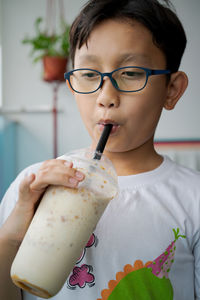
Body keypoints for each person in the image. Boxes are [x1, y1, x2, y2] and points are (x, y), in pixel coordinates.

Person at [0, 0, 199, 299]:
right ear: (73, 84)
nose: (106, 97)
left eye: (131, 73)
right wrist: (12, 236)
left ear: (171, 90)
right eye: (90, 74)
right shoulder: (33, 187)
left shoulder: (193, 199)